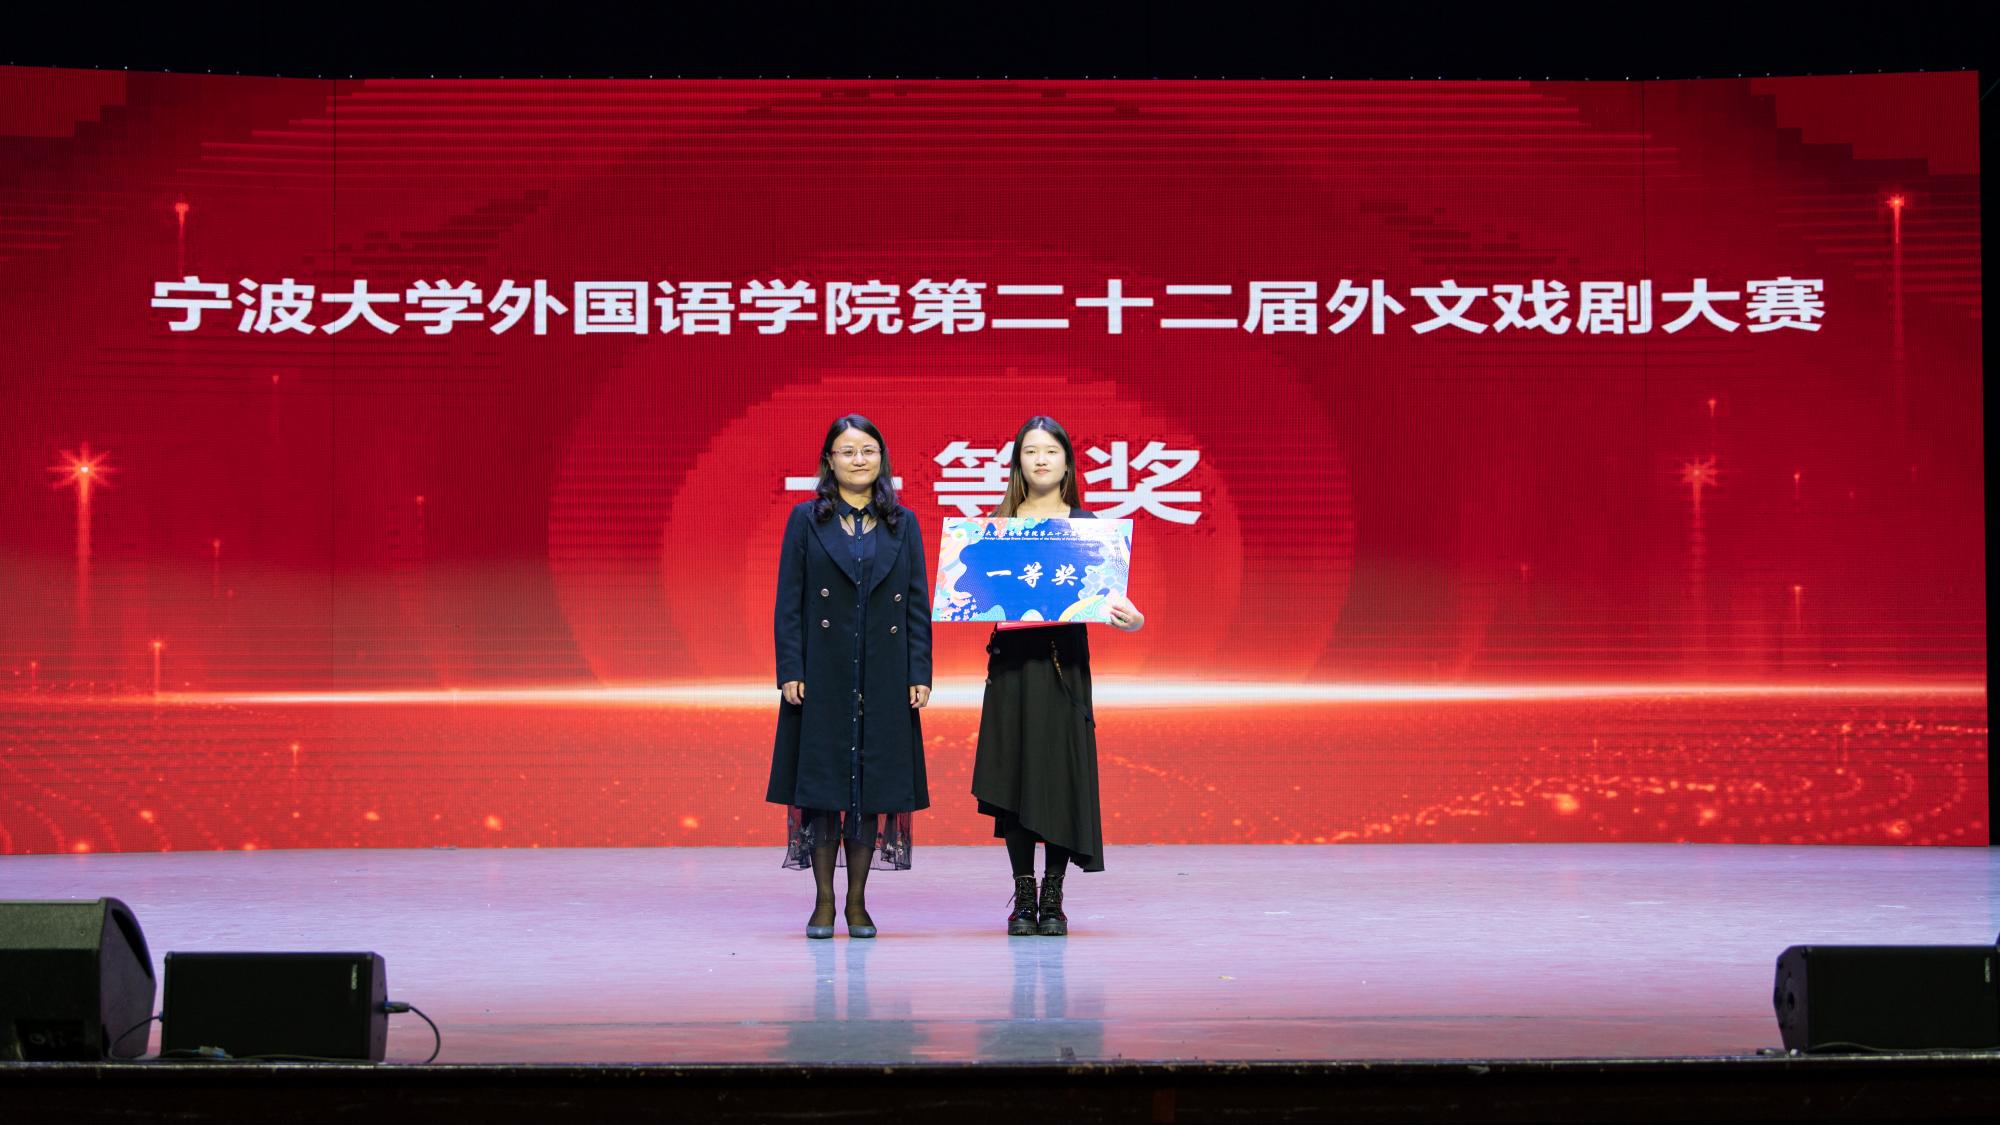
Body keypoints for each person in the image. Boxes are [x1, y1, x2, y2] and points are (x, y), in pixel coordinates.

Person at [970, 416, 1144, 937]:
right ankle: (1023, 895)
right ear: (1017, 462)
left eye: (1050, 451)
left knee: (1057, 777)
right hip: (1010, 666)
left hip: (1062, 667)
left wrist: (1132, 620)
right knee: (1015, 776)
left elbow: (1112, 602)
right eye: (1030, 451)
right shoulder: (996, 527)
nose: (1040, 459)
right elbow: (974, 595)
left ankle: (1053, 896)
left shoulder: (1089, 530)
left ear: (1067, 462)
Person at [767, 415, 933, 939]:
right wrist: (790, 668)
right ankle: (823, 902)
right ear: (829, 460)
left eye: (868, 450)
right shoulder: (806, 519)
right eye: (847, 451)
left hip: (884, 671)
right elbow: (789, 601)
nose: (859, 459)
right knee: (823, 787)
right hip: (822, 671)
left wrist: (919, 671)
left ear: (881, 458)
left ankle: (857, 903)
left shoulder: (902, 522)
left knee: (869, 787)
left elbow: (917, 604)